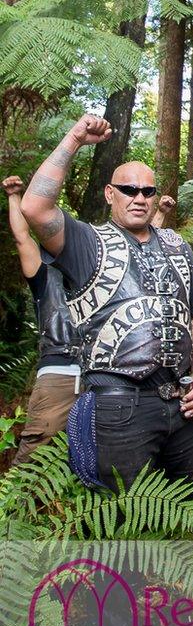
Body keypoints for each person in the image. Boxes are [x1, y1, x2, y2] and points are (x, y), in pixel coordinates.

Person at [20, 115, 193, 497]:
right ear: (110, 194)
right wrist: (75, 138)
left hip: (184, 404)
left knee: (191, 508)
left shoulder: (177, 245)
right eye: (129, 189)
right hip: (118, 405)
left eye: (147, 191)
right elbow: (35, 208)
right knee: (121, 516)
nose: (139, 197)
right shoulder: (86, 243)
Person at [4, 175, 82, 462]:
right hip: (58, 371)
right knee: (35, 457)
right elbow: (22, 237)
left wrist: (158, 214)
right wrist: (15, 196)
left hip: (101, 376)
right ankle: (17, 507)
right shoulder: (44, 274)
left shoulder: (96, 272)